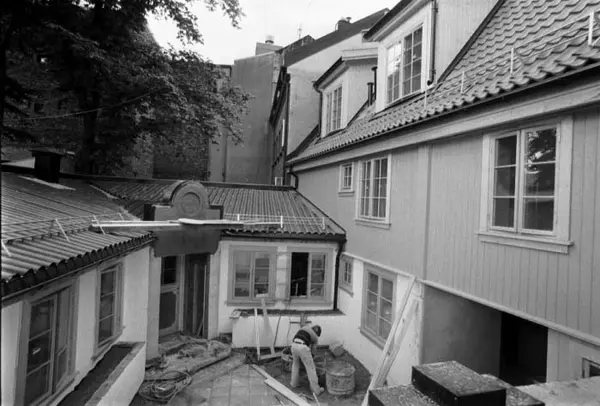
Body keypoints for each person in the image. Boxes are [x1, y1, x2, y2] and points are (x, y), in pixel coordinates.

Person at [290, 324, 325, 396]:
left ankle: (294, 384)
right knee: (311, 368)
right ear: (317, 333)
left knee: (295, 365)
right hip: (302, 347)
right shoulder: (315, 337)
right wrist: (311, 358)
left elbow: (295, 338)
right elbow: (313, 351)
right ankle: (316, 391)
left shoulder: (304, 328)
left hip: (293, 345)